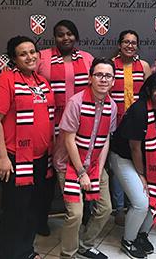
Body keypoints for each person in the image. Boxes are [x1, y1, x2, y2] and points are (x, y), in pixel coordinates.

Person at [0, 36, 55, 259]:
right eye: (23, 53)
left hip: (39, 157)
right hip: (15, 158)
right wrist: (3, 158)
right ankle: (4, 254)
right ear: (14, 59)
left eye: (33, 51)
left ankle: (25, 251)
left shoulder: (42, 82)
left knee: (32, 209)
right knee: (15, 210)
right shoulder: (4, 81)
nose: (30, 56)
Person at [54, 57, 117, 259]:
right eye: (99, 75)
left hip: (94, 163)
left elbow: (106, 139)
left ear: (113, 81)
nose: (103, 79)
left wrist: (98, 170)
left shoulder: (112, 106)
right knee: (76, 213)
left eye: (108, 76)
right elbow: (69, 140)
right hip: (70, 164)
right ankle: (68, 253)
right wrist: (82, 173)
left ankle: (85, 244)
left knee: (106, 208)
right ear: (90, 78)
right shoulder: (76, 102)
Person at [36, 19, 94, 234]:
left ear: (76, 36)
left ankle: (86, 216)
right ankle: (40, 219)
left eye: (70, 34)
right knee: (46, 177)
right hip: (50, 126)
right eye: (61, 34)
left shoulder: (87, 59)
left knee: (85, 169)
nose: (66, 38)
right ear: (54, 37)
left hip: (81, 126)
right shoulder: (42, 57)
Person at [110, 72, 156, 259]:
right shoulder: (139, 110)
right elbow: (134, 148)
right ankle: (128, 241)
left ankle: (141, 235)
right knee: (141, 202)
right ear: (149, 90)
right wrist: (142, 175)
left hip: (148, 160)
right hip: (124, 158)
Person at [110, 30, 152, 226]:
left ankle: (134, 205)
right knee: (118, 168)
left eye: (133, 42)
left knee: (135, 164)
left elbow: (150, 94)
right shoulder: (111, 65)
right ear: (119, 45)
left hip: (137, 124)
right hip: (115, 125)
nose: (130, 45)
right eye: (126, 42)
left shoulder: (143, 66)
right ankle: (119, 208)